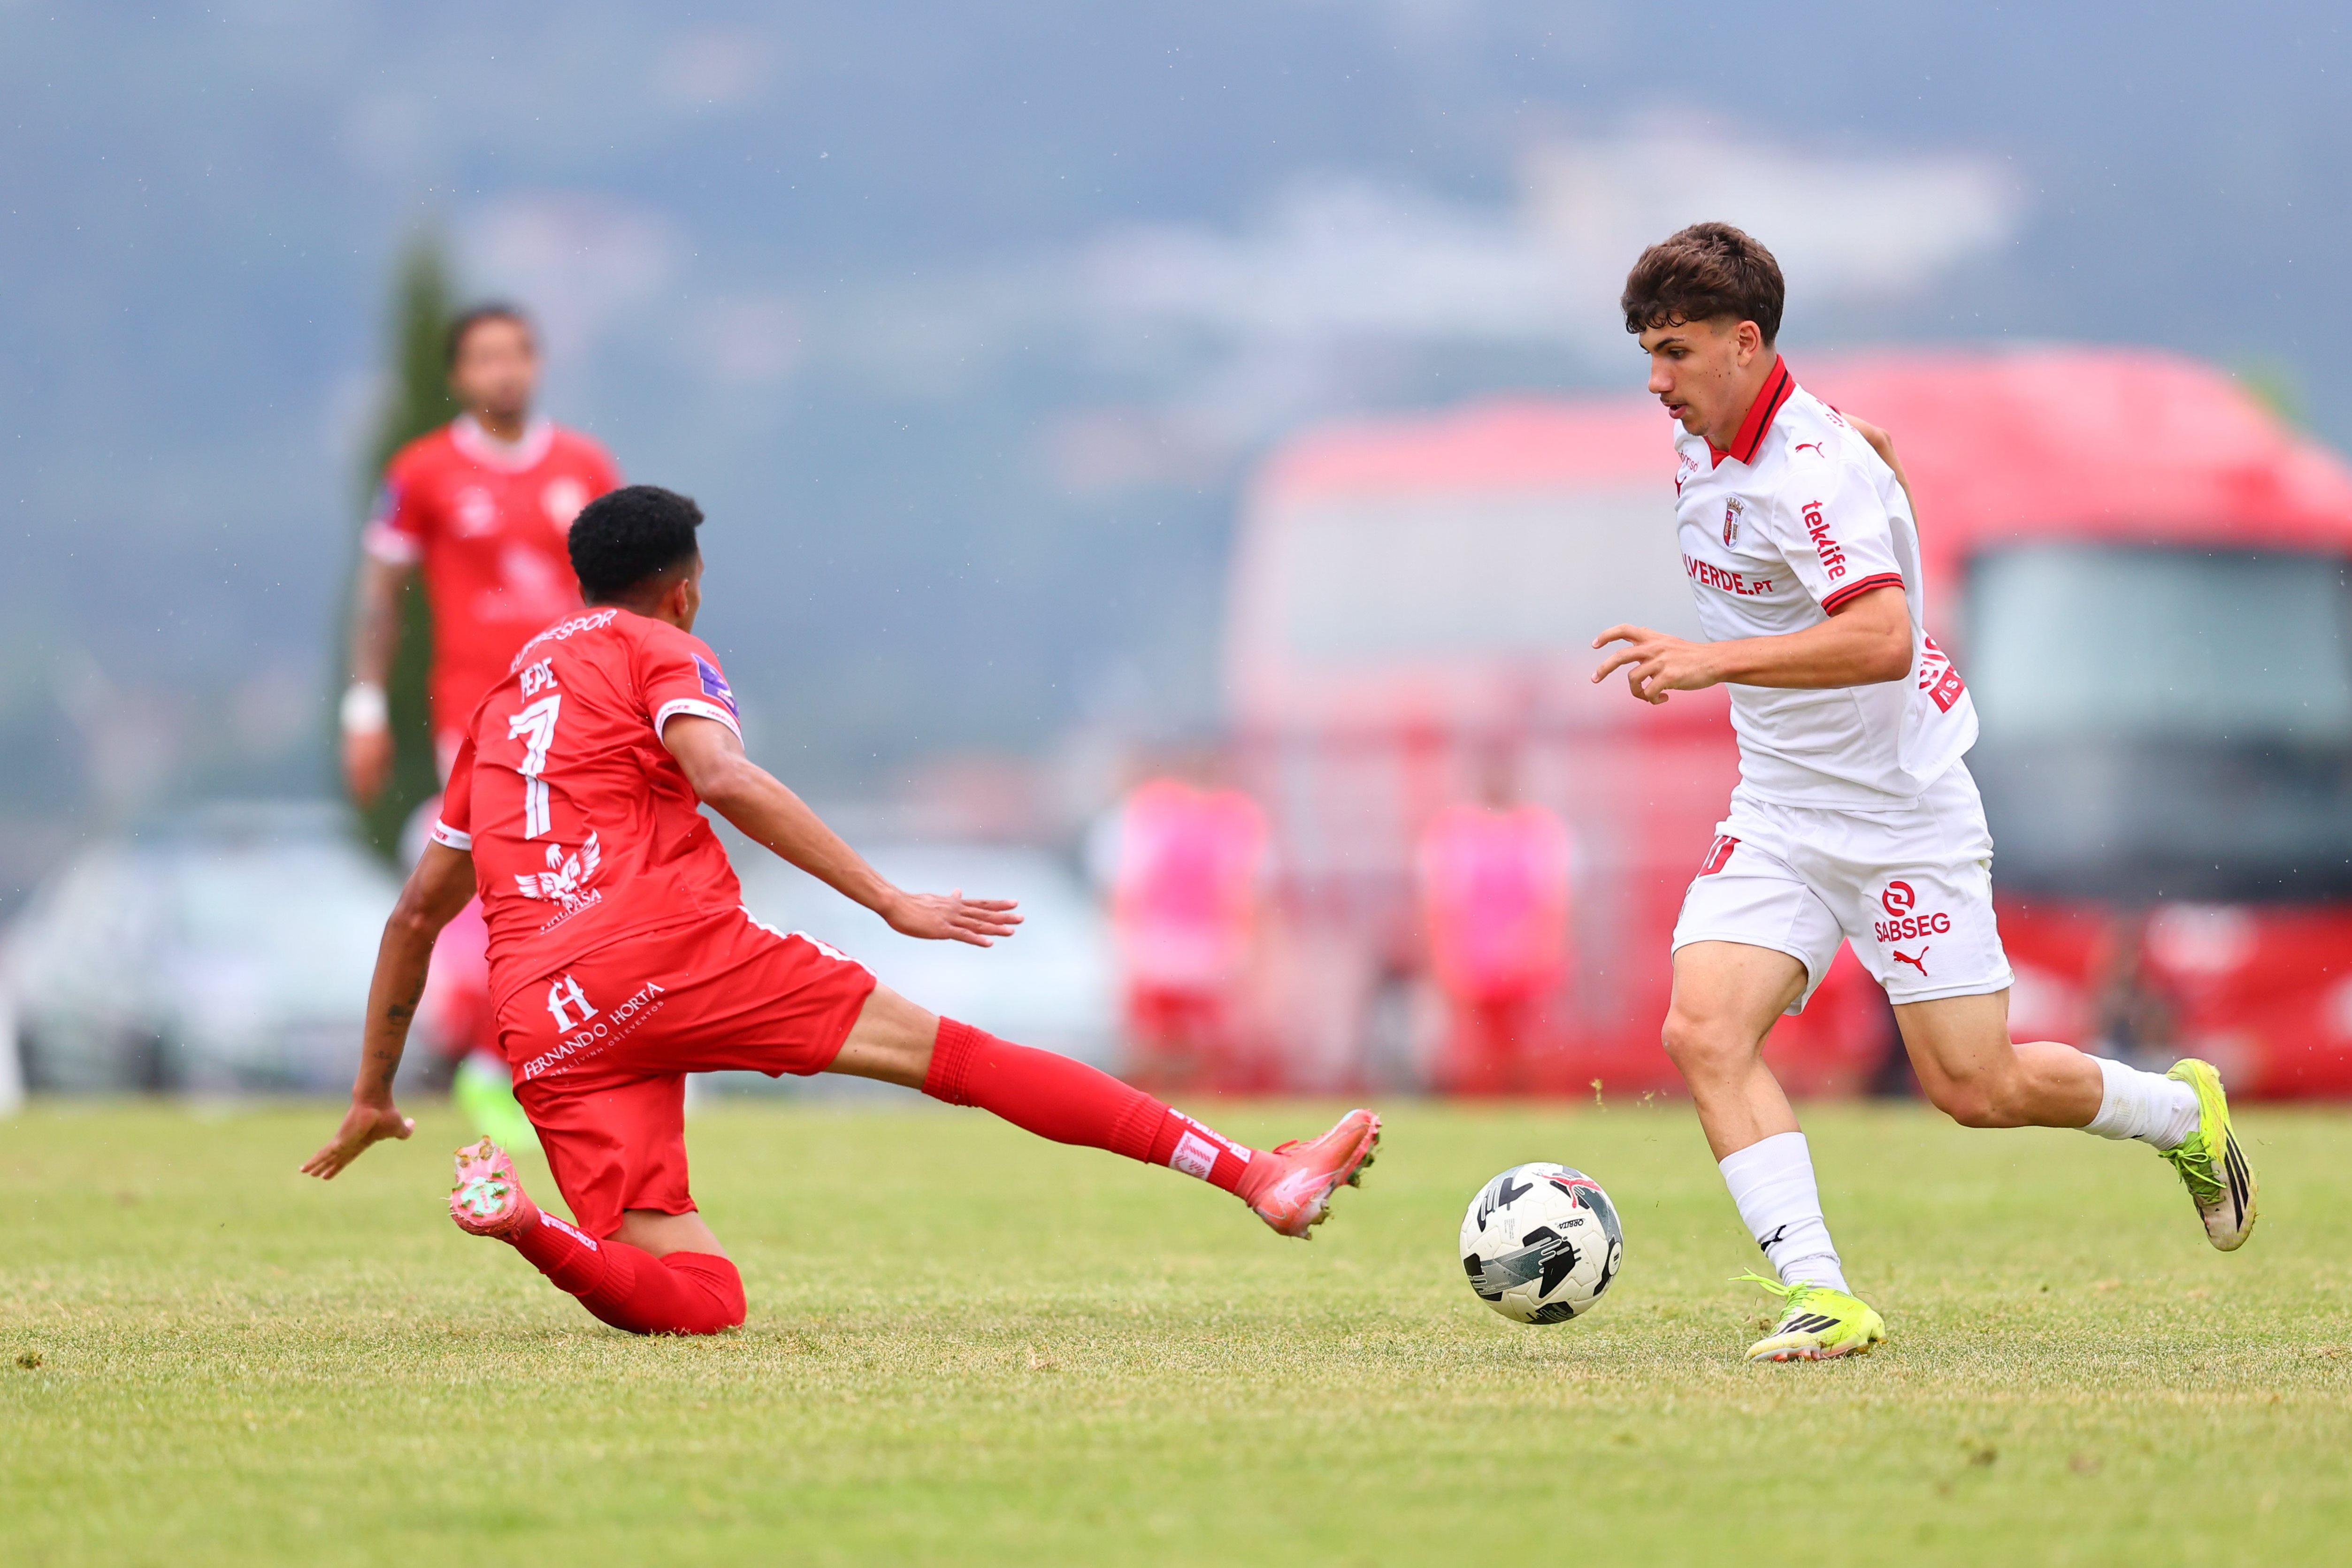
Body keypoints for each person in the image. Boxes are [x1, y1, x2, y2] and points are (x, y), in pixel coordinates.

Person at [303, 486, 1379, 1336]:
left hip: (547, 1013)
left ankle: (526, 1226)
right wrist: (890, 900)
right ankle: (1256, 1176)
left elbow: (414, 917)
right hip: (661, 947)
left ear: (582, 580)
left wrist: (370, 1093)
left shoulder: (501, 707)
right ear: (682, 589)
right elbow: (720, 777)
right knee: (960, 1060)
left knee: (697, 1296)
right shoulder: (662, 650)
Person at [1590, 223, 2254, 1363]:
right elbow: (1840, 480)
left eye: (1677, 352)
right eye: (1649, 353)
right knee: (1703, 1032)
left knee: (1974, 1086)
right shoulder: (1732, 439)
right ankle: (1822, 1293)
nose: (1657, 381)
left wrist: (1713, 660)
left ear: (1744, 344)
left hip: (1902, 817)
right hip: (1783, 811)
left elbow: (1885, 638)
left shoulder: (1811, 464)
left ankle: (2180, 1116)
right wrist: (1870, 467)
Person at [341, 304, 623, 1145]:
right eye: (486, 357)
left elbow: (621, 595)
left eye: (519, 354)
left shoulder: (583, 464)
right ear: (459, 376)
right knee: (519, 880)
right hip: (480, 712)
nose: (506, 370)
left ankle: (538, 1056)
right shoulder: (424, 472)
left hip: (578, 704)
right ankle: (498, 1059)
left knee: (584, 880)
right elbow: (380, 596)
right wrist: (364, 708)